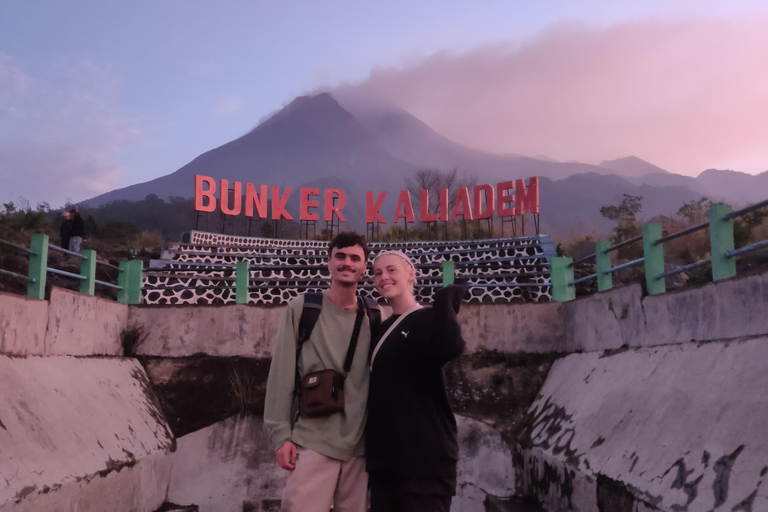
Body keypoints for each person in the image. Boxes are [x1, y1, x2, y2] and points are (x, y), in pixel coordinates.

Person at [264, 232, 376, 512]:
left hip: (360, 447)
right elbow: (282, 374)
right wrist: (282, 434)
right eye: (340, 256)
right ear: (328, 262)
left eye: (355, 258)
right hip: (312, 439)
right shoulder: (303, 308)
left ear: (364, 267)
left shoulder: (374, 315)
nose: (346, 263)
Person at [367, 250, 469, 512]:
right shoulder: (381, 328)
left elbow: (450, 347)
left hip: (425, 462)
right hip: (386, 462)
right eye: (378, 273)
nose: (383, 277)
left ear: (410, 274)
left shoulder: (427, 319)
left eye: (391, 270)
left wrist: (445, 302)